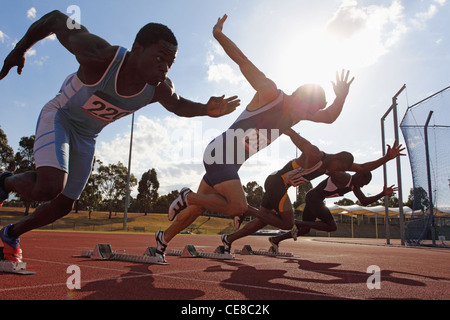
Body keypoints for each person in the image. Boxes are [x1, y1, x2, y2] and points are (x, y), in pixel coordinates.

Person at [0, 10, 240, 262]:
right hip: (61, 116)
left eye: (169, 63)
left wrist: (206, 109)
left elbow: (178, 105)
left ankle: (10, 234)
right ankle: (5, 182)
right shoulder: (102, 56)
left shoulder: (159, 88)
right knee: (50, 186)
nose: (164, 67)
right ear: (137, 49)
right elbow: (56, 19)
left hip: (87, 135)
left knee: (63, 205)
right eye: (159, 57)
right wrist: (20, 49)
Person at [156, 14, 355, 261]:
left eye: (312, 113)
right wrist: (218, 34)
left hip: (229, 163)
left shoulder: (296, 116)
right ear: (302, 98)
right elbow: (242, 61)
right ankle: (187, 196)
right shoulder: (270, 93)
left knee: (196, 210)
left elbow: (329, 117)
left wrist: (342, 96)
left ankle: (161, 242)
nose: (311, 116)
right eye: (310, 110)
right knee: (237, 206)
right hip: (220, 153)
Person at [220, 130, 404, 254]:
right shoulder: (315, 154)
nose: (335, 173)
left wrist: (387, 158)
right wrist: (281, 126)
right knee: (287, 223)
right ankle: (247, 209)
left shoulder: (335, 167)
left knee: (262, 221)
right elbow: (293, 134)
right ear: (336, 157)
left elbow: (363, 166)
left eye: (340, 170)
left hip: (280, 186)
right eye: (337, 168)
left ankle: (229, 239)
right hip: (277, 182)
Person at [267, 171, 397, 252]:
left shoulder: (354, 186)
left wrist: (383, 193)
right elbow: (329, 170)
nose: (363, 186)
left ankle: (276, 239)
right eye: (365, 182)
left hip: (314, 198)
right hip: (315, 198)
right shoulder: (344, 176)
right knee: (331, 226)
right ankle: (296, 222)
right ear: (359, 175)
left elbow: (364, 201)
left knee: (306, 229)